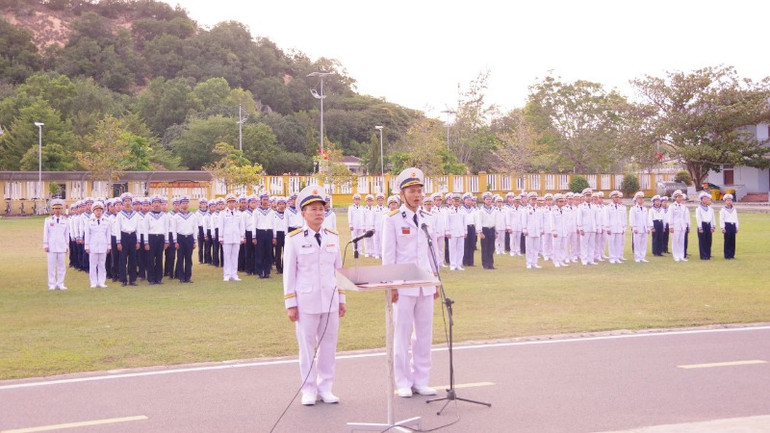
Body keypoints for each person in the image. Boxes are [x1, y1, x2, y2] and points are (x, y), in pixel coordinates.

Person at [283, 185, 346, 406]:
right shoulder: (294, 239)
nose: (319, 213)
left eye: (321, 208)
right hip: (306, 301)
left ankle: (326, 387)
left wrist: (342, 299)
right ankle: (308, 389)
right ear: (303, 213)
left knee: (328, 347)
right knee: (307, 348)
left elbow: (339, 271)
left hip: (330, 299)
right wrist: (291, 303)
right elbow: (289, 274)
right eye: (313, 209)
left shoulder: (333, 237)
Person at [382, 167, 438, 398]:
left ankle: (421, 380)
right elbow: (388, 256)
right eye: (412, 191)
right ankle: (403, 381)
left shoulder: (428, 219)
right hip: (403, 286)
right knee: (402, 335)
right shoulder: (393, 220)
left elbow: (434, 252)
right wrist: (392, 285)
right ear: (402, 193)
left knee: (424, 335)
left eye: (419, 191)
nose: (417, 195)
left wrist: (435, 281)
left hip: (425, 284)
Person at [43, 199, 70, 290]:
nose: (57, 210)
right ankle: (52, 284)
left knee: (62, 266)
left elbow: (66, 234)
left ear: (62, 210)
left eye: (59, 209)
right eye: (55, 209)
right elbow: (46, 233)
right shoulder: (48, 220)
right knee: (51, 266)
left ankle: (60, 283)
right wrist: (45, 245)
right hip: (51, 246)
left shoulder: (65, 220)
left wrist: (67, 245)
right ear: (53, 210)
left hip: (62, 245)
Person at [84, 200, 111, 288]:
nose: (98, 212)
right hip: (93, 245)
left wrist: (109, 246)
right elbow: (87, 234)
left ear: (102, 211)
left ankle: (101, 282)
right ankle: (93, 282)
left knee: (102, 264)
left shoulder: (106, 221)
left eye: (100, 210)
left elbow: (108, 234)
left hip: (103, 245)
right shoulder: (89, 221)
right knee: (93, 265)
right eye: (97, 210)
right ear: (93, 211)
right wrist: (87, 246)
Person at [116, 194, 141, 286]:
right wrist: (118, 242)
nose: (127, 203)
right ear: (123, 203)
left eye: (129, 201)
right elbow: (117, 229)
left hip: (133, 236)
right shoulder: (119, 214)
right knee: (123, 260)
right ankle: (123, 280)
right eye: (125, 201)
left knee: (133, 259)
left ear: (131, 202)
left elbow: (138, 228)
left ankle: (132, 279)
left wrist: (138, 241)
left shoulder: (136, 215)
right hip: (124, 236)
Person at [144, 196, 170, 285]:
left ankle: (158, 278)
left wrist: (166, 241)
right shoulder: (148, 216)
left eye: (158, 202)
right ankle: (151, 279)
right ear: (152, 204)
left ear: (160, 204)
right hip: (151, 237)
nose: (156, 204)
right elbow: (145, 229)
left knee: (159, 258)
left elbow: (166, 229)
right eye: (154, 203)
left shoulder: (164, 216)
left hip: (161, 238)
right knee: (150, 259)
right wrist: (146, 242)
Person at [220, 194, 245, 281]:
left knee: (235, 257)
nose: (231, 204)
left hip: (236, 237)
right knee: (227, 257)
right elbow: (221, 226)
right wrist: (220, 238)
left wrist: (242, 237)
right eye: (229, 202)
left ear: (236, 203)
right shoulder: (222, 213)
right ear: (227, 203)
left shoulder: (239, 214)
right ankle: (227, 275)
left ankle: (234, 274)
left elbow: (241, 226)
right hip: (226, 238)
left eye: (233, 202)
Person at [173, 196, 197, 283]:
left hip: (189, 238)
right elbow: (174, 229)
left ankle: (188, 277)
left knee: (188, 259)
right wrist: (175, 241)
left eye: (186, 203)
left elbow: (195, 228)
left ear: (188, 204)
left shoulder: (193, 216)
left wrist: (195, 240)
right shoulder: (176, 216)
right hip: (180, 238)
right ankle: (181, 277)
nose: (185, 205)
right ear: (180, 204)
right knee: (180, 258)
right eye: (183, 203)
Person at [253, 193, 276, 279]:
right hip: (260, 232)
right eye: (264, 199)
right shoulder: (256, 211)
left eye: (267, 200)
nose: (265, 201)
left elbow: (274, 224)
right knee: (259, 253)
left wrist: (274, 236)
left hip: (269, 232)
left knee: (268, 253)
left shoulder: (272, 212)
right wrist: (254, 237)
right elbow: (254, 224)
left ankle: (267, 272)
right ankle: (260, 272)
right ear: (261, 200)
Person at [445, 193, 466, 271]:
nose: (456, 202)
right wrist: (447, 231)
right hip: (452, 232)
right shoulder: (449, 211)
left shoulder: (462, 210)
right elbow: (447, 221)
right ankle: (453, 265)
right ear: (452, 201)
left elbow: (464, 222)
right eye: (455, 201)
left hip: (461, 232)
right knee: (452, 249)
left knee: (460, 249)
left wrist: (465, 231)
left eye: (458, 201)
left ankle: (459, 264)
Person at [522, 192, 543, 269]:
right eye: (532, 199)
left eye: (535, 199)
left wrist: (541, 229)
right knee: (529, 248)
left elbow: (541, 220)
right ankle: (529, 263)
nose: (534, 201)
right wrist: (524, 229)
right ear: (529, 200)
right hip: (529, 231)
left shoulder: (539, 209)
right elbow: (524, 220)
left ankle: (534, 263)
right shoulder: (525, 209)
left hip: (537, 231)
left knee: (536, 248)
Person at [548, 193, 570, 267]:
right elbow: (552, 222)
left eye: (563, 201)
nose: (562, 203)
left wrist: (567, 230)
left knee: (563, 247)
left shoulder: (565, 210)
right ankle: (556, 261)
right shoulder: (553, 211)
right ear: (556, 202)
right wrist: (553, 230)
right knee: (556, 247)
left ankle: (561, 261)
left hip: (564, 231)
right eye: (560, 201)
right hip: (557, 232)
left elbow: (566, 221)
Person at [476, 192, 497, 269]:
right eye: (487, 199)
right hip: (485, 230)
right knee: (485, 248)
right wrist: (480, 232)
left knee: (491, 248)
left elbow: (496, 221)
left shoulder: (494, 210)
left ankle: (491, 264)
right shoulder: (481, 210)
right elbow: (479, 221)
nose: (489, 200)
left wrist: (496, 231)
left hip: (492, 229)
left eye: (490, 199)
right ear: (484, 200)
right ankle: (485, 264)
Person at [605, 191, 626, 264]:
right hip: (612, 228)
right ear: (612, 198)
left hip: (619, 228)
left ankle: (617, 258)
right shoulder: (608, 207)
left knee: (618, 244)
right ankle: (612, 258)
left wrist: (623, 228)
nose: (617, 199)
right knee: (611, 244)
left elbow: (623, 218)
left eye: (618, 197)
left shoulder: (621, 207)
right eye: (616, 197)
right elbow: (606, 218)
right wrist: (607, 228)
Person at [668, 190, 689, 262]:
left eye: (681, 197)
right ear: (675, 198)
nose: (680, 198)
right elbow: (670, 217)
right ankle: (676, 256)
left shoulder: (683, 207)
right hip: (675, 226)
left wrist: (685, 226)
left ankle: (681, 256)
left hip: (682, 226)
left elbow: (684, 217)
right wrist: (671, 226)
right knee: (675, 241)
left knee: (681, 242)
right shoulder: (672, 206)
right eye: (678, 197)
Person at [629, 191, 649, 263]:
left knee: (643, 244)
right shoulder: (633, 208)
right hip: (637, 228)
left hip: (644, 228)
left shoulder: (645, 209)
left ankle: (642, 257)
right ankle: (637, 257)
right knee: (637, 244)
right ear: (636, 199)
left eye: (642, 198)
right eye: (639, 198)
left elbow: (647, 219)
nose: (641, 200)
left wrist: (648, 228)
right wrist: (634, 227)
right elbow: (632, 219)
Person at [695, 191, 716, 260]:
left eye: (707, 198)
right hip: (702, 224)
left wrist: (713, 226)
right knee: (702, 241)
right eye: (704, 199)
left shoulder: (710, 209)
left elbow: (712, 218)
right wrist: (700, 227)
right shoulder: (698, 209)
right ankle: (703, 255)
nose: (706, 200)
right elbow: (699, 218)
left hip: (708, 225)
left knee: (708, 240)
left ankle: (708, 254)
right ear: (701, 200)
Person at [719, 193, 739, 259]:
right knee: (727, 241)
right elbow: (721, 219)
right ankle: (727, 255)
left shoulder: (734, 209)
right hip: (727, 225)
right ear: (725, 201)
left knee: (732, 241)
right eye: (727, 200)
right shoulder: (723, 210)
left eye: (730, 200)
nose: (729, 202)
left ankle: (732, 254)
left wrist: (736, 227)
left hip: (733, 225)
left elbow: (736, 218)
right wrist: (722, 228)